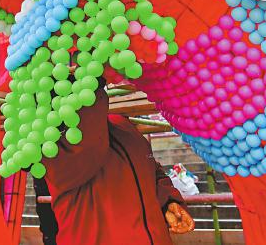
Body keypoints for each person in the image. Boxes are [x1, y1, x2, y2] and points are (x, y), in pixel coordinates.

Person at [42, 87, 194, 245]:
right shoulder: (56, 145)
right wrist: (92, 85)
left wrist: (167, 202)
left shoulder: (124, 127)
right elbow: (87, 146)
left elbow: (152, 171)